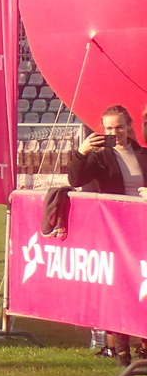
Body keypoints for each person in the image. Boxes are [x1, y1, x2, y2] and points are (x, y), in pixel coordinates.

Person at [65, 105, 147, 362]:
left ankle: (144, 345)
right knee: (120, 290)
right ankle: (121, 352)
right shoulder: (99, 157)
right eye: (109, 128)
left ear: (129, 126)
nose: (115, 132)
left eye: (119, 127)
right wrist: (82, 152)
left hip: (142, 229)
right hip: (115, 232)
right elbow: (75, 180)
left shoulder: (143, 155)